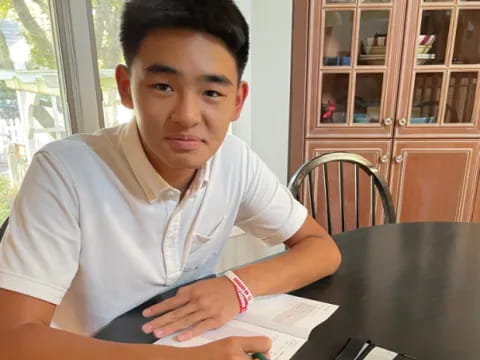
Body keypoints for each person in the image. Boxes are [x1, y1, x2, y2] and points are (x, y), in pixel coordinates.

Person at [0, 0, 341, 359]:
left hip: (185, 337)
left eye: (211, 92)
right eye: (163, 86)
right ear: (126, 87)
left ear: (237, 101)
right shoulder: (64, 172)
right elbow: (12, 340)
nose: (187, 116)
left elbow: (322, 249)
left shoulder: (234, 159)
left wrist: (237, 287)